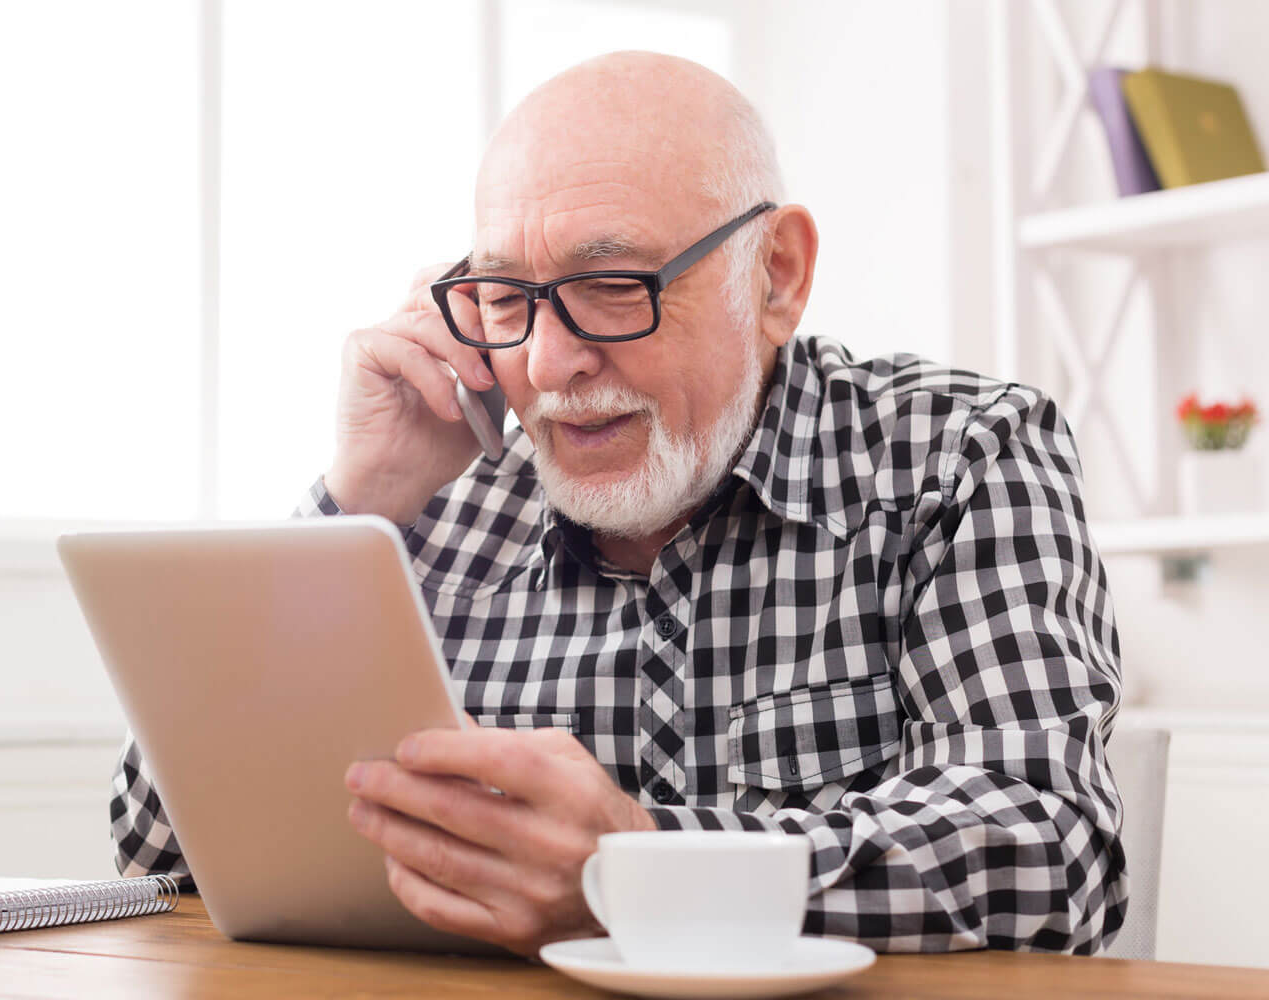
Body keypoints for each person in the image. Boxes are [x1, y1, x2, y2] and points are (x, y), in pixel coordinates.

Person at [111, 50, 1125, 958]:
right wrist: (359, 501)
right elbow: (160, 850)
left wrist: (638, 868)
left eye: (611, 284)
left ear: (776, 276)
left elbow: (1052, 847)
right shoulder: (432, 509)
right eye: (506, 299)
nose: (551, 364)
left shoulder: (958, 455)